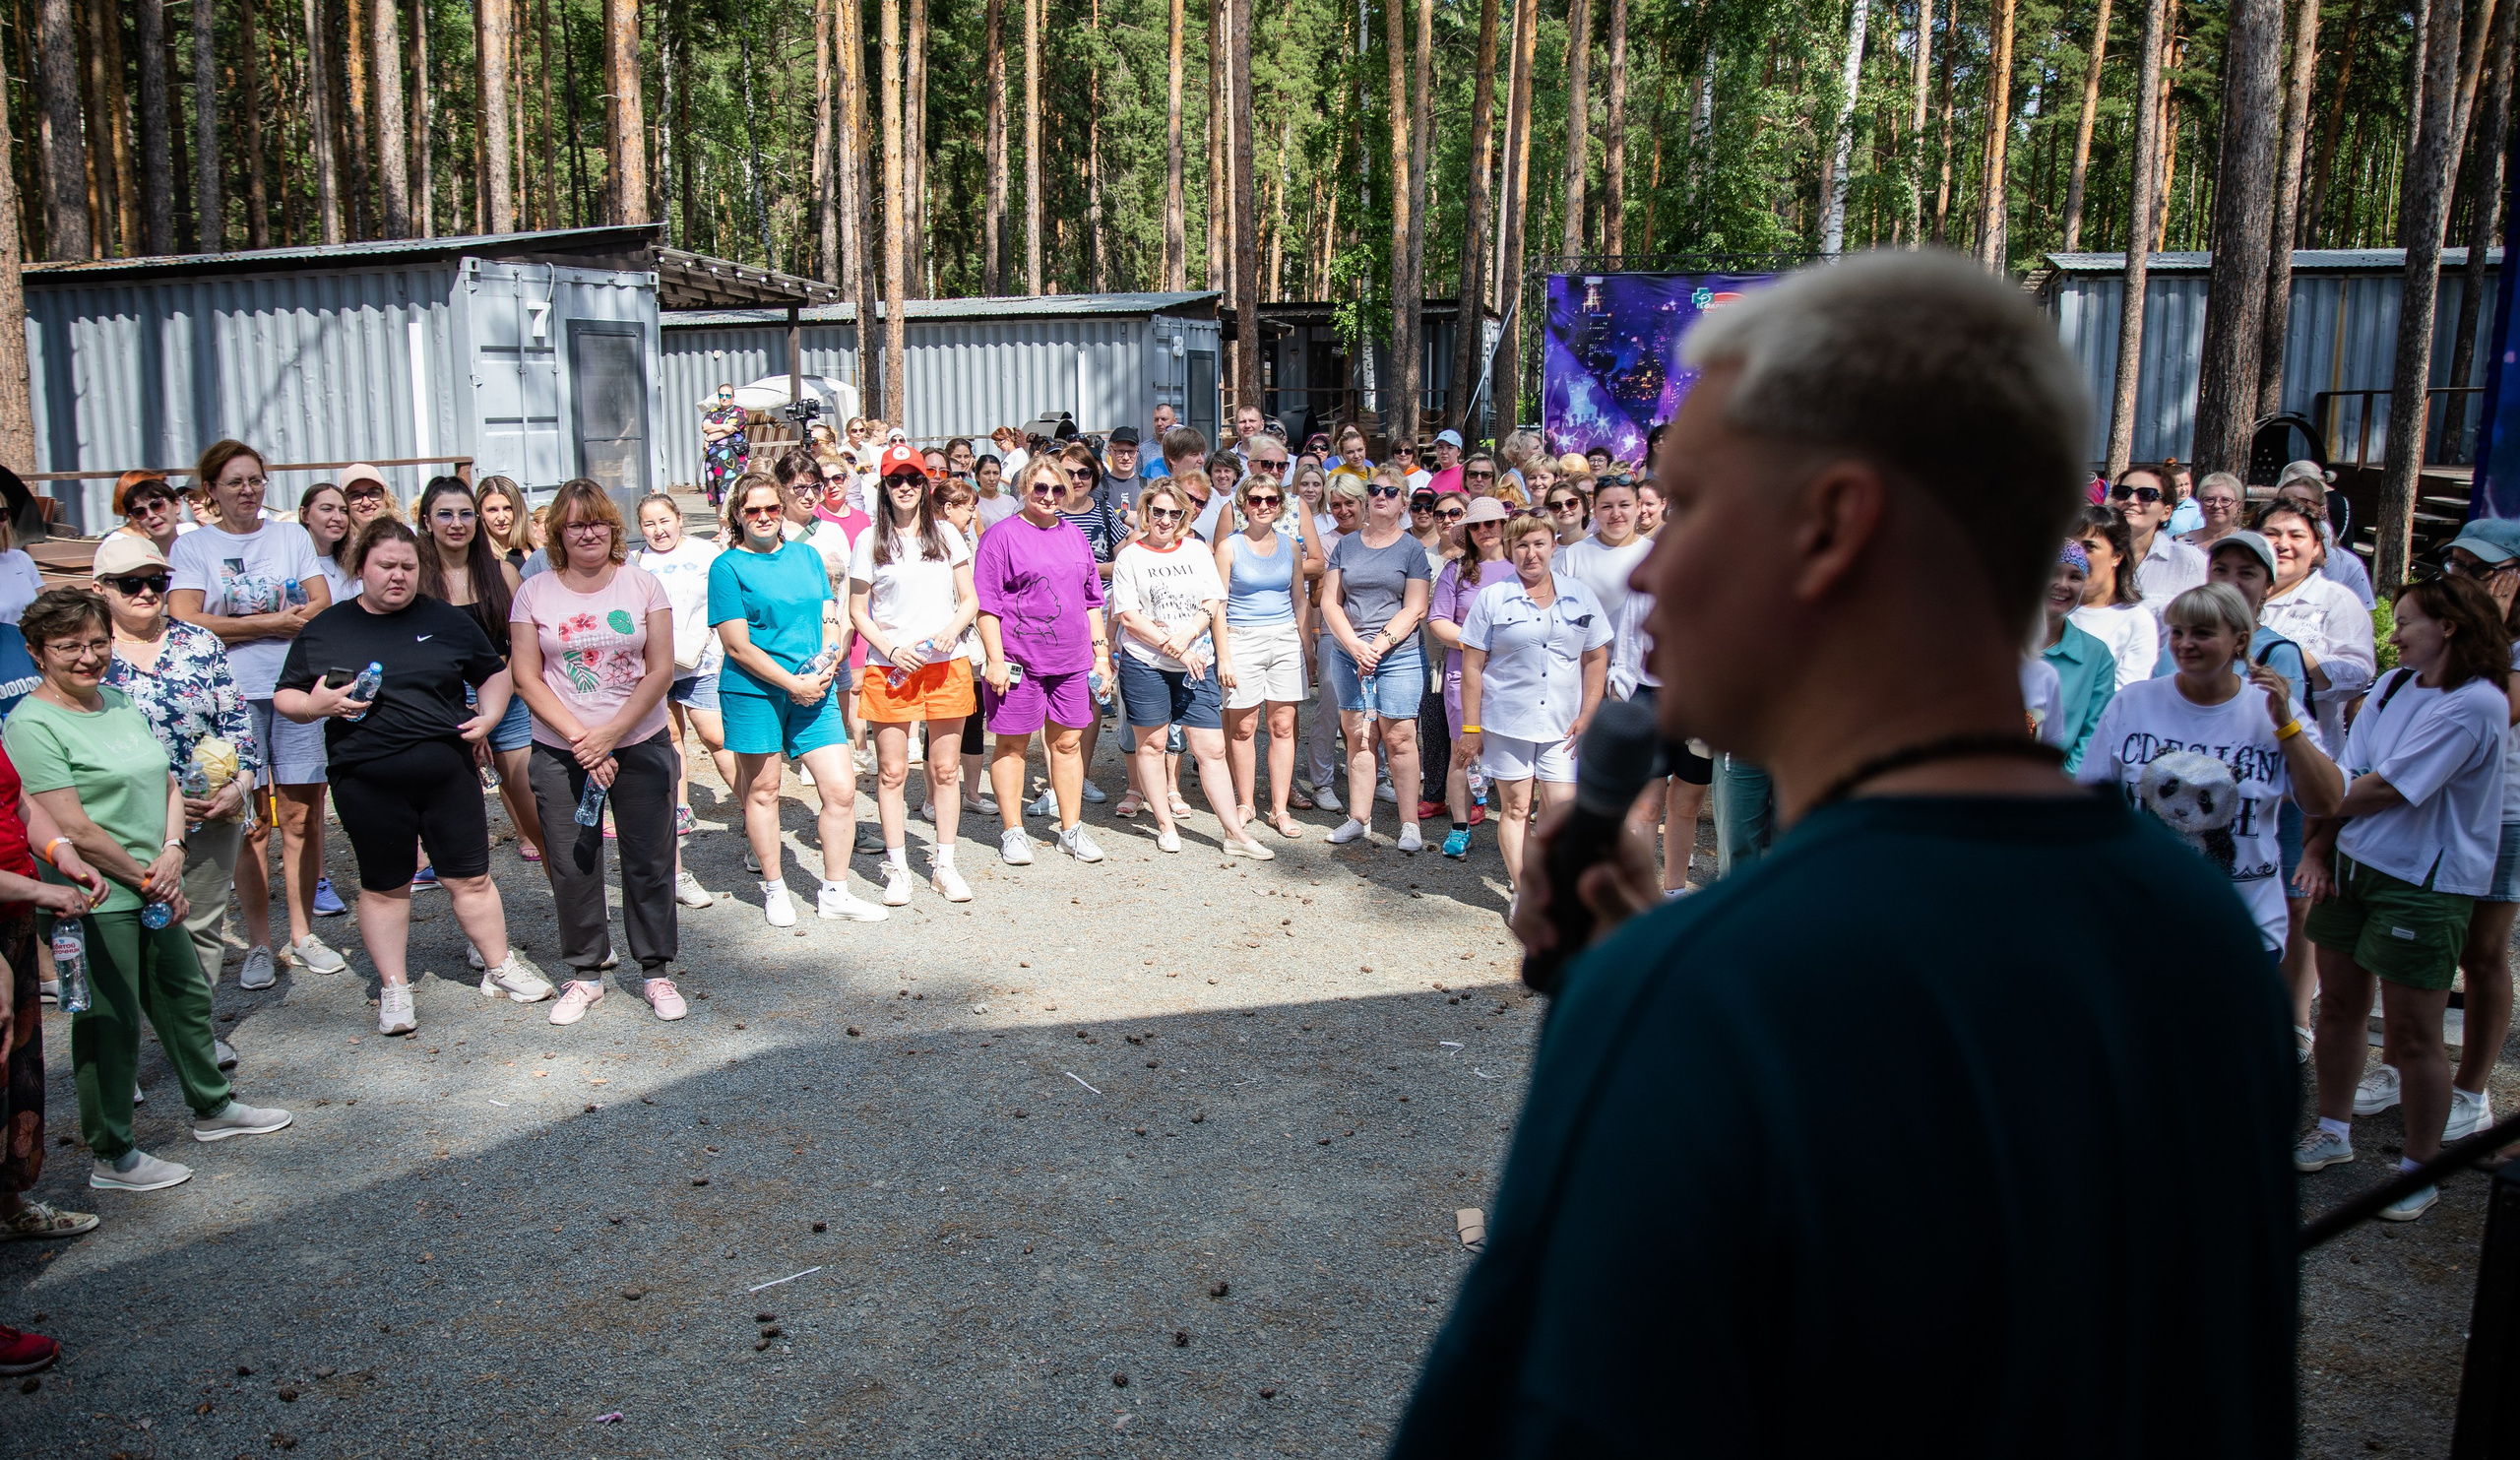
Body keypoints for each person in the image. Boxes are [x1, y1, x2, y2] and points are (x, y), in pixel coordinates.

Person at [1393, 252, 2294, 1454]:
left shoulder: (1710, 999)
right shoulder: (2205, 944)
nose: (1649, 567)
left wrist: (1610, 1017)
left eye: (1693, 503)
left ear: (1830, 525)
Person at [8, 587, 294, 1191]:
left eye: (96, 643)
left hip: (155, 877)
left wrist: (170, 853)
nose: (88, 657)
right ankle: (113, 1152)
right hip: (95, 894)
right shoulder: (31, 725)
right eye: (69, 647)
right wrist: (148, 878)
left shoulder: (115, 700)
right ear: (37, 652)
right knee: (109, 1021)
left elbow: (166, 780)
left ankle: (212, 1106)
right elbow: (72, 827)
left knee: (183, 993)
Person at [274, 520, 553, 1034]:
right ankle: (395, 988)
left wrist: (490, 716)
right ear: (361, 568)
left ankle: (499, 967)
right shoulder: (327, 628)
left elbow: (494, 670)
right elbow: (285, 695)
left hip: (448, 774)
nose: (398, 576)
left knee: (470, 877)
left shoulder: (444, 620)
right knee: (386, 885)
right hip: (366, 778)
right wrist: (314, 706)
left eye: (408, 566)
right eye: (386, 566)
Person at [2297, 574, 2512, 1223]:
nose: (2396, 633)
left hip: (2425, 884)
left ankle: (2420, 1167)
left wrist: (2308, 791)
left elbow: (2382, 788)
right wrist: (2317, 848)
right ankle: (2332, 1131)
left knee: (2415, 1032)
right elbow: (2350, 774)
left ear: (2448, 626)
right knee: (2337, 1004)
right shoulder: (2389, 686)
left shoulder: (2478, 703)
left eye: (2408, 620)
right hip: (2353, 866)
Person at [2077, 583, 2343, 965]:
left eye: (2202, 633)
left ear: (2239, 641)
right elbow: (2091, 807)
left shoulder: (2272, 709)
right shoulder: (2134, 702)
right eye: (2178, 632)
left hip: (2242, 927)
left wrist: (2286, 725)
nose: (2185, 643)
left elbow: (2327, 801)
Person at [94, 536, 305, 1006]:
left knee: (201, 927)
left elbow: (236, 723)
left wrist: (241, 785)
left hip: (208, 810)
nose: (146, 592)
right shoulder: (91, 654)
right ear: (100, 588)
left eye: (156, 581)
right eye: (131, 583)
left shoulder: (199, 641)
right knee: (120, 934)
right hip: (123, 815)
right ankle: (124, 1054)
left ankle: (196, 1037)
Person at [507, 481, 683, 1024]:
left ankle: (655, 971)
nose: (588, 533)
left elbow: (660, 670)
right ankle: (585, 973)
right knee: (573, 861)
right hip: (561, 751)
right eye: (575, 524)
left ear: (612, 528)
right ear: (558, 533)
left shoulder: (644, 585)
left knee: (649, 859)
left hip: (639, 742)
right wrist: (584, 742)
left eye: (597, 523)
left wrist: (611, 734)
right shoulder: (534, 592)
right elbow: (525, 676)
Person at [166, 440, 331, 993]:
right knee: (248, 822)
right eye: (234, 482)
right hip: (229, 698)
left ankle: (303, 933)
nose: (247, 490)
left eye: (255, 480)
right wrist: (270, 625)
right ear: (210, 490)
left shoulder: (289, 536)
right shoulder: (194, 548)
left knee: (303, 814)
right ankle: (260, 942)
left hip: (295, 687)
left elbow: (320, 602)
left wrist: (283, 623)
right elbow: (186, 618)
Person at [707, 474, 886, 925]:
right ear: (738, 516)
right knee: (764, 790)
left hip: (816, 688)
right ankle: (775, 887)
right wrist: (792, 683)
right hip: (755, 691)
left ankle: (835, 891)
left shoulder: (807, 556)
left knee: (842, 789)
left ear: (782, 508)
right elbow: (737, 646)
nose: (763, 517)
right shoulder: (727, 567)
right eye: (753, 510)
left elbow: (829, 615)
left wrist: (828, 662)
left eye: (771, 508)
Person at [2205, 529, 2322, 1055]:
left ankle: (2292, 1018)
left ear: (2268, 588)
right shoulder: (2179, 640)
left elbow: (2291, 734)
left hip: (2269, 798)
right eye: (2221, 570)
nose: (2231, 582)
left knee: (2292, 905)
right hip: (2201, 803)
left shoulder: (2280, 653)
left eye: (2246, 573)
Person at [1109, 481, 1272, 858]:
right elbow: (1130, 619)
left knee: (1211, 749)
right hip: (1147, 663)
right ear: (1146, 511)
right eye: (1158, 511)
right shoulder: (1131, 557)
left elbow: (1212, 599)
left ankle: (1234, 833)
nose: (1165, 520)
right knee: (1151, 745)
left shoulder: (1198, 550)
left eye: (1174, 512)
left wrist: (1186, 636)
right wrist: (1177, 650)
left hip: (1196, 662)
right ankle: (1165, 825)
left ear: (1184, 515)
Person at [1457, 514, 1611, 896]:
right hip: (1507, 721)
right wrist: (1471, 729)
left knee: (1560, 809)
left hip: (1563, 726)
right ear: (1510, 550)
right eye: (1521, 545)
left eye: (1539, 543)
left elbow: (1595, 658)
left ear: (1553, 545)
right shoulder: (1493, 597)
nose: (1531, 554)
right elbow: (1472, 666)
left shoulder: (1580, 595)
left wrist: (1589, 713)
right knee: (1515, 807)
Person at [849, 456, 979, 905]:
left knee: (945, 770)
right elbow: (857, 611)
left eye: (913, 479)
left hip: (947, 663)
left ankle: (944, 865)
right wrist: (888, 649)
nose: (905, 487)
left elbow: (970, 599)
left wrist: (952, 628)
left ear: (925, 484)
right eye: (895, 480)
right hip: (892, 667)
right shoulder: (869, 539)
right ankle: (898, 867)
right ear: (883, 486)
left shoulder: (945, 534)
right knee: (892, 770)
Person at [976, 457, 1115, 866]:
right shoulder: (1001, 537)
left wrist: (1102, 654)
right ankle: (1013, 831)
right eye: (1040, 488)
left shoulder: (1074, 536)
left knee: (1068, 743)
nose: (1049, 496)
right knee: (1012, 743)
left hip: (1071, 661)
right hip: (1018, 660)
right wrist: (995, 660)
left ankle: (1070, 830)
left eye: (1058, 490)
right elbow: (986, 606)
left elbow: (1092, 601)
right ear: (1024, 488)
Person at [0, 731, 107, 1238]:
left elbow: (15, 797)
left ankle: (10, 1207)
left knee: (18, 1070)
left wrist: (60, 851)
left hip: (14, 913)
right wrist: (44, 888)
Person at [2437, 518, 2520, 1158]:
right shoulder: (2448, 630)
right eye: (2456, 565)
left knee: (2482, 953)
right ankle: (2422, 1066)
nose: (2460, 579)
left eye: (2477, 569)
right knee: (2432, 942)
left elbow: (2495, 705)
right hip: (2441, 806)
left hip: (2507, 815)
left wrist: (2489, 620)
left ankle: (2472, 1090)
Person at [414, 476, 544, 868]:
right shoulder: (415, 580)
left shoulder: (502, 574)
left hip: (505, 699)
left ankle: (576, 911)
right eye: (445, 514)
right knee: (455, 823)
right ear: (425, 522)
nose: (457, 523)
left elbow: (521, 646)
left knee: (537, 813)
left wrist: (491, 710)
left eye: (465, 513)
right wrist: (465, 715)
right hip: (441, 709)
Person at [1320, 468, 1432, 851]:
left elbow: (1415, 607)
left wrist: (1377, 646)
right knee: (1358, 737)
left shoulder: (1412, 549)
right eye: (1374, 489)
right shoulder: (1346, 546)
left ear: (1403, 502)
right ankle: (1359, 818)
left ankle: (1409, 824)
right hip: (1349, 654)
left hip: (1397, 656)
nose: (1381, 495)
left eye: (1390, 491)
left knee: (1401, 738)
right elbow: (1329, 602)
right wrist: (1354, 646)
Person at [632, 495, 738, 894]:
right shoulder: (635, 563)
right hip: (657, 663)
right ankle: (680, 807)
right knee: (669, 737)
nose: (659, 529)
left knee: (714, 735)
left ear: (679, 518)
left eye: (665, 520)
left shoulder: (707, 552)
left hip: (704, 658)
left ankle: (751, 805)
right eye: (648, 523)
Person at [1217, 467, 1326, 839]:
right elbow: (1218, 604)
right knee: (1243, 726)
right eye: (1255, 499)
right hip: (1241, 637)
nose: (1263, 505)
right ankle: (1245, 801)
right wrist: (1224, 654)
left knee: (1282, 726)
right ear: (1243, 505)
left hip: (1284, 640)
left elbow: (1299, 600)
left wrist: (1307, 647)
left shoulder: (1291, 546)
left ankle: (1279, 808)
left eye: (1271, 499)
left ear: (1280, 506)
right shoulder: (1228, 546)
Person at [1430, 498, 1518, 857]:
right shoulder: (1455, 571)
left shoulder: (1520, 568)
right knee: (1462, 752)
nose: (1485, 531)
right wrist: (1477, 645)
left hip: (1513, 676)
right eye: (1477, 525)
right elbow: (1438, 621)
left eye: (1492, 523)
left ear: (1503, 525)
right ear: (1467, 531)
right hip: (1463, 672)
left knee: (1515, 751)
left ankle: (1516, 827)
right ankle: (1460, 827)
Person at [2255, 498, 2375, 753]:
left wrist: (2290, 660)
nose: (2283, 544)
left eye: (2296, 536)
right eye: (2271, 534)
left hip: (2309, 749)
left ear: (2317, 548)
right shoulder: (2231, 596)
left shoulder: (2336, 599)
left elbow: (2358, 673)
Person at [2038, 541, 2118, 775]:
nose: (2062, 585)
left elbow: (2091, 738)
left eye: (2075, 577)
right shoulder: (1996, 643)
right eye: (2052, 572)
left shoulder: (2096, 655)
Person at [2067, 503, 2158, 689]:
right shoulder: (2047, 611)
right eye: (2070, 546)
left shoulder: (2136, 621)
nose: (2076, 556)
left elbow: (2124, 693)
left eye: (2089, 547)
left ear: (2117, 556)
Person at [2272, 467, 2377, 608]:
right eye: (2282, 502)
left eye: (2302, 502)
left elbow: (2362, 619)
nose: (2291, 508)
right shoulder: (2262, 548)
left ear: (2321, 509)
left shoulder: (2350, 564)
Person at [1555, 477, 1651, 626]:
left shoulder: (1653, 553)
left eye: (1624, 505)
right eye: (1607, 507)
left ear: (1638, 507)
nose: (1616, 514)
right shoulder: (1575, 554)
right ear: (1595, 508)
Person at [2110, 463, 2207, 607]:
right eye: (2123, 492)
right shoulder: (2089, 555)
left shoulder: (2188, 562)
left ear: (2166, 512)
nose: (2131, 501)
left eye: (2146, 495)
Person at [113, 472, 187, 560]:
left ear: (176, 504)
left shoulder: (200, 548)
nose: (150, 515)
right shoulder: (132, 559)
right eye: (140, 512)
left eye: (157, 505)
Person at [701, 382, 751, 506]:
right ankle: (721, 526)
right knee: (717, 496)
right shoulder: (712, 412)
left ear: (733, 397)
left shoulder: (738, 411)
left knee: (732, 493)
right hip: (713, 461)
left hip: (733, 458)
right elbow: (705, 427)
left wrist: (709, 438)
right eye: (721, 395)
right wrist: (723, 426)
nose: (724, 398)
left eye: (728, 396)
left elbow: (731, 430)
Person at [476, 476, 537, 567]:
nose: (501, 517)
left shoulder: (534, 550)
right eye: (492, 510)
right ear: (481, 512)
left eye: (508, 508)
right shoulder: (477, 555)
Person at [2183, 471, 2245, 548]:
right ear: (2200, 503)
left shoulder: (2248, 543)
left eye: (2225, 500)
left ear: (2237, 505)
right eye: (2209, 500)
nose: (2216, 505)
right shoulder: (2181, 542)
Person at [340, 464, 397, 533]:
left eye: (373, 493)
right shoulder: (336, 542)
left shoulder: (408, 538)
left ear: (386, 497)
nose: (366, 503)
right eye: (355, 496)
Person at [974, 452, 1020, 527]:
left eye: (995, 473)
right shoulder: (973, 503)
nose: (992, 478)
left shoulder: (1010, 502)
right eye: (986, 473)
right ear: (978, 477)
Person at [1141, 405, 1177, 478]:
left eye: (1164, 419)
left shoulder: (1188, 449)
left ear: (1175, 421)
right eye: (1156, 419)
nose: (1159, 423)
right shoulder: (1142, 450)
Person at [1425, 429, 1466, 494]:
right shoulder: (1435, 477)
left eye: (1449, 448)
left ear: (1459, 452)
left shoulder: (1464, 474)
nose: (1444, 452)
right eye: (1440, 447)